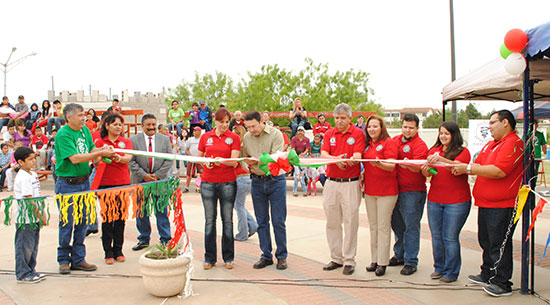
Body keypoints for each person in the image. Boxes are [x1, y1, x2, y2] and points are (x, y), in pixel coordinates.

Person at [452, 110, 523, 297]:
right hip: (486, 203)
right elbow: (478, 165)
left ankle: (502, 282)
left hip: (503, 205)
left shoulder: (514, 143)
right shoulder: (491, 145)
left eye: (492, 123)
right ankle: (488, 273)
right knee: (486, 240)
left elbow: (499, 171)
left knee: (498, 244)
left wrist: (469, 168)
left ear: (505, 123)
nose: (489, 127)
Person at [54, 103, 116, 275]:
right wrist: (99, 154)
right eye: (80, 115)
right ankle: (64, 260)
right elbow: (75, 158)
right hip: (67, 184)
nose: (84, 118)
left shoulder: (84, 131)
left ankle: (79, 259)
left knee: (82, 223)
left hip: (84, 182)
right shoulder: (63, 134)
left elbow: (92, 149)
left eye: (84, 115)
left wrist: (104, 150)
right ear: (69, 117)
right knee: (67, 223)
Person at [420, 121, 471, 283]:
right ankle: (439, 267)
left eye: (446, 133)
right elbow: (435, 172)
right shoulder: (433, 151)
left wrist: (441, 159)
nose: (443, 136)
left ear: (454, 135)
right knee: (436, 236)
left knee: (450, 237)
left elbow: (457, 168)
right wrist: (427, 170)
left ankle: (451, 271)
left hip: (456, 201)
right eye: (441, 133)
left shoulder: (463, 151)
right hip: (435, 200)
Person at [320, 103, 365, 275]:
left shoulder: (358, 133)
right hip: (331, 182)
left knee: (350, 222)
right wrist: (334, 159)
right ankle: (336, 258)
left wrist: (352, 159)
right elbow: (324, 153)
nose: (339, 121)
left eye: (343, 118)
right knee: (332, 221)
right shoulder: (329, 133)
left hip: (350, 183)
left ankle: (349, 259)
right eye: (337, 118)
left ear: (349, 118)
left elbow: (358, 154)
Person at [242, 111, 288, 270]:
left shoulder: (276, 135)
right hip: (257, 182)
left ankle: (282, 256)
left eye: (253, 126)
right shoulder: (246, 138)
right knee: (261, 221)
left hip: (276, 181)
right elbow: (242, 158)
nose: (251, 130)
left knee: (278, 220)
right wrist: (248, 167)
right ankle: (266, 255)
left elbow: (275, 158)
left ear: (262, 121)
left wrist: (256, 161)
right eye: (248, 127)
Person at [197, 108, 240, 270]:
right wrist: (205, 162)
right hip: (208, 182)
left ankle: (228, 257)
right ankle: (209, 258)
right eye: (221, 122)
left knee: (227, 220)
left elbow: (234, 161)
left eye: (227, 122)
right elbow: (198, 158)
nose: (224, 125)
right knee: (209, 221)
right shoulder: (205, 137)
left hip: (228, 182)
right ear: (215, 121)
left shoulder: (234, 137)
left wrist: (221, 160)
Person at [390, 113, 428, 276]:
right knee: (397, 225)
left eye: (411, 128)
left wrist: (406, 163)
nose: (407, 130)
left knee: (411, 227)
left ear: (417, 128)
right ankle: (399, 255)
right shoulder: (395, 140)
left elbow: (418, 167)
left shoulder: (420, 145)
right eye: (405, 126)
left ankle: (411, 261)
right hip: (394, 190)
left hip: (413, 192)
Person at [129, 114, 173, 250]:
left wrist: (157, 175)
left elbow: (169, 159)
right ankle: (143, 239)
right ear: (142, 126)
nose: (151, 127)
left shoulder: (165, 140)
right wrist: (144, 175)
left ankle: (165, 239)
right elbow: (131, 161)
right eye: (148, 125)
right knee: (141, 212)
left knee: (161, 211)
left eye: (153, 124)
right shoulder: (133, 140)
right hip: (140, 181)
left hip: (160, 182)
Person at [362, 115, 399, 276]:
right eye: (369, 126)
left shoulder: (388, 143)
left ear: (382, 128)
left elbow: (392, 166)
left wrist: (380, 164)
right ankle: (374, 259)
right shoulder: (368, 144)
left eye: (375, 126)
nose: (372, 129)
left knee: (383, 227)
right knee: (373, 226)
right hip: (370, 191)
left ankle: (383, 262)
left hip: (387, 192)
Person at [94, 113, 133, 264]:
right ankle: (108, 252)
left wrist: (118, 158)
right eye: (115, 124)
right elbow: (96, 162)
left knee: (121, 218)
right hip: (105, 183)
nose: (118, 127)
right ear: (107, 125)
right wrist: (103, 154)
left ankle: (118, 249)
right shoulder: (99, 141)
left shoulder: (126, 142)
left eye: (120, 124)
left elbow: (128, 158)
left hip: (122, 183)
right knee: (107, 218)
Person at [13, 146, 46, 283]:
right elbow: (29, 199)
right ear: (21, 162)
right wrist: (40, 214)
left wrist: (41, 212)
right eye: (30, 159)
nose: (33, 161)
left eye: (34, 158)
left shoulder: (32, 174)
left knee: (33, 246)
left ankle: (31, 270)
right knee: (24, 246)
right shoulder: (23, 177)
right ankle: (23, 273)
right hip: (26, 218)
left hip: (34, 217)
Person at [232, 125, 258, 241]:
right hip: (246, 178)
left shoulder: (239, 148)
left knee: (239, 206)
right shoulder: (246, 146)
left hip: (240, 178)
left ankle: (242, 233)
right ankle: (252, 226)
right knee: (239, 205)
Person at [185, 126, 203, 192]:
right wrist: (190, 155)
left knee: (199, 173)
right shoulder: (190, 140)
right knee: (188, 173)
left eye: (196, 131)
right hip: (191, 159)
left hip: (199, 160)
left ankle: (198, 187)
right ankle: (187, 187)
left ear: (200, 132)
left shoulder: (202, 139)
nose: (194, 132)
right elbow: (186, 149)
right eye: (194, 131)